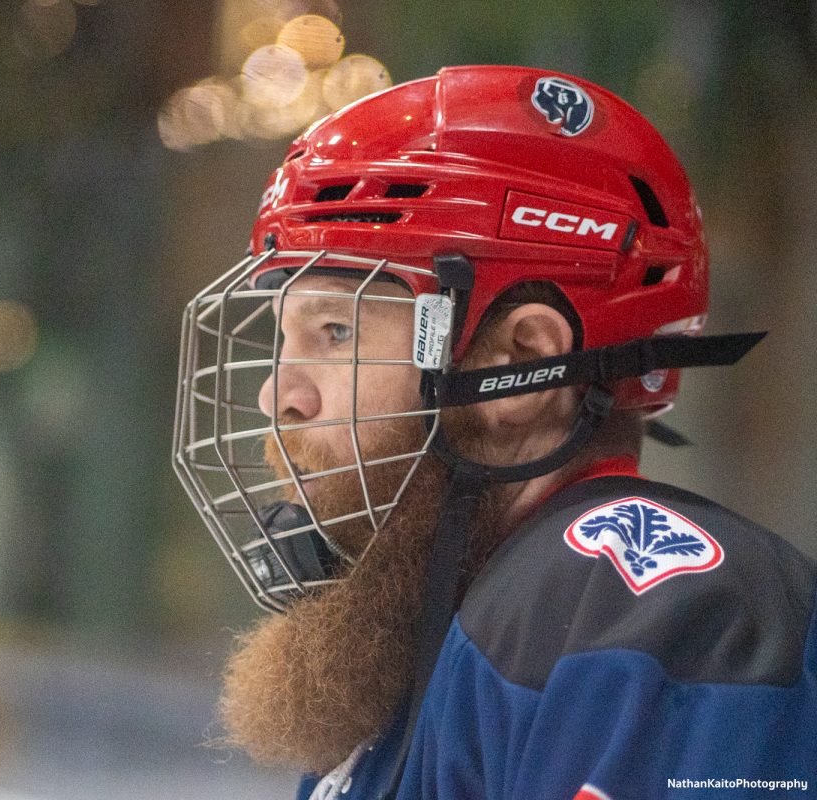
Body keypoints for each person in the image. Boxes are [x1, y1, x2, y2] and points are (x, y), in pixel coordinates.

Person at [172, 65, 817, 799]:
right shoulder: (411, 643)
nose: (277, 394)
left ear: (526, 359)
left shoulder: (646, 612)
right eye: (284, 338)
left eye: (336, 329)